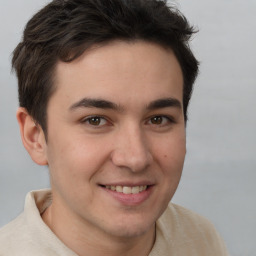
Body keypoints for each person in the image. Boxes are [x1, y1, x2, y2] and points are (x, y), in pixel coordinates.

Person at [0, 0, 229, 255]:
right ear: (35, 137)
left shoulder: (201, 240)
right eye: (95, 120)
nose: (135, 158)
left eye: (158, 119)